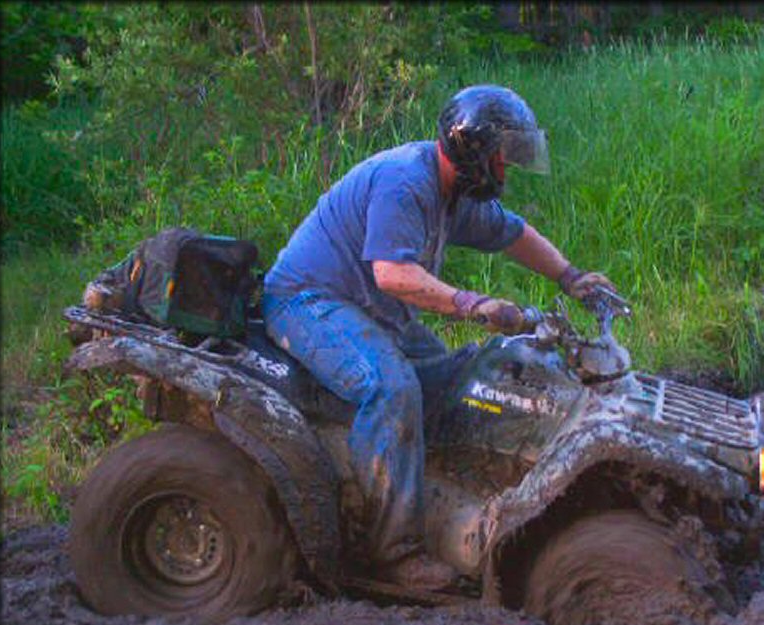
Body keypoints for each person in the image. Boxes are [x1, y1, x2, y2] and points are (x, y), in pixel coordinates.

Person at [261, 84, 616, 589]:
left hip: (370, 311)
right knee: (393, 389)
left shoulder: (455, 195)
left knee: (460, 378)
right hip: (307, 301)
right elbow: (392, 274)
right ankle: (393, 552)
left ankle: (440, 492)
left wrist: (571, 277)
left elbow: (512, 233)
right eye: (503, 156)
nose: (508, 168)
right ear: (474, 151)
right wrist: (472, 304)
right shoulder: (407, 181)